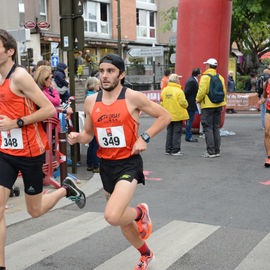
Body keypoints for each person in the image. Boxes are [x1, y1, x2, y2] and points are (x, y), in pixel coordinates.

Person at [67, 53, 171, 270]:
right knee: (123, 221)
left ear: (121, 74)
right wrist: (78, 138)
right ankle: (146, 253)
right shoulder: (90, 101)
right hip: (106, 166)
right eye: (102, 71)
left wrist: (145, 137)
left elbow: (165, 116)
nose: (104, 76)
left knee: (113, 216)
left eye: (110, 71)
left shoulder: (132, 97)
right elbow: (88, 134)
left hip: (128, 163)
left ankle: (141, 212)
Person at [0, 29, 86, 270]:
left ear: (9, 51)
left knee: (34, 210)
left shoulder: (20, 77)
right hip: (5, 152)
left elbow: (49, 109)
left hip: (30, 153)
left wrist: (16, 123)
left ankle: (65, 190)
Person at [196, 58, 226, 158]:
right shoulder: (220, 77)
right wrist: (222, 104)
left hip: (208, 106)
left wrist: (197, 100)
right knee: (216, 128)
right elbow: (224, 92)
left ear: (208, 65)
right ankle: (217, 151)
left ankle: (210, 151)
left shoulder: (205, 77)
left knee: (208, 128)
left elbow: (202, 91)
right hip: (218, 105)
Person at [161, 73, 189, 155]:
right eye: (178, 79)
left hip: (167, 115)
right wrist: (187, 104)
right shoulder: (179, 91)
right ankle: (175, 150)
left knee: (169, 132)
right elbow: (183, 103)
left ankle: (168, 149)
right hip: (177, 114)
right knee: (177, 133)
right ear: (176, 80)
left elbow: (162, 102)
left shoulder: (165, 90)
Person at [85, 77, 100, 173]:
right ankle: (96, 165)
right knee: (96, 145)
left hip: (89, 121)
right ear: (94, 86)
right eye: (98, 84)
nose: (100, 86)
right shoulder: (95, 96)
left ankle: (89, 164)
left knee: (91, 144)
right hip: (95, 122)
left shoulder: (88, 95)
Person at [184, 68, 201, 142]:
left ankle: (188, 135)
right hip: (190, 104)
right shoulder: (192, 82)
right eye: (200, 73)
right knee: (189, 120)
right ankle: (188, 136)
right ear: (198, 74)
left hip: (190, 103)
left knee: (189, 120)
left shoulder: (192, 80)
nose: (201, 74)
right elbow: (186, 93)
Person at [258, 72, 270, 167]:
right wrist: (260, 101)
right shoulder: (266, 83)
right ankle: (269, 157)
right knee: (267, 132)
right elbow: (265, 97)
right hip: (269, 111)